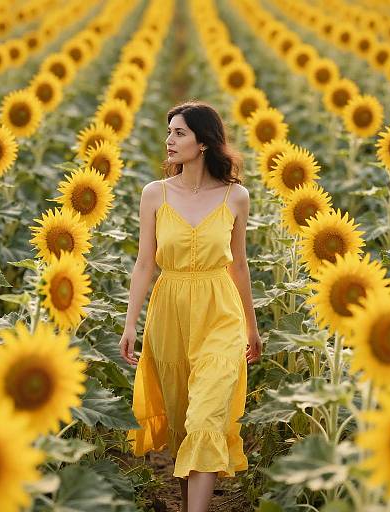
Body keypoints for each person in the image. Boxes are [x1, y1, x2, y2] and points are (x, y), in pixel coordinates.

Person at [119, 100, 262, 512]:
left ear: (203, 142)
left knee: (206, 419)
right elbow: (145, 262)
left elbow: (239, 265)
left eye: (179, 133)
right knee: (184, 425)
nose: (169, 140)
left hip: (221, 312)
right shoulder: (155, 194)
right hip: (171, 313)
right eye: (169, 132)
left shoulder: (236, 197)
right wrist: (130, 324)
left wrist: (252, 328)